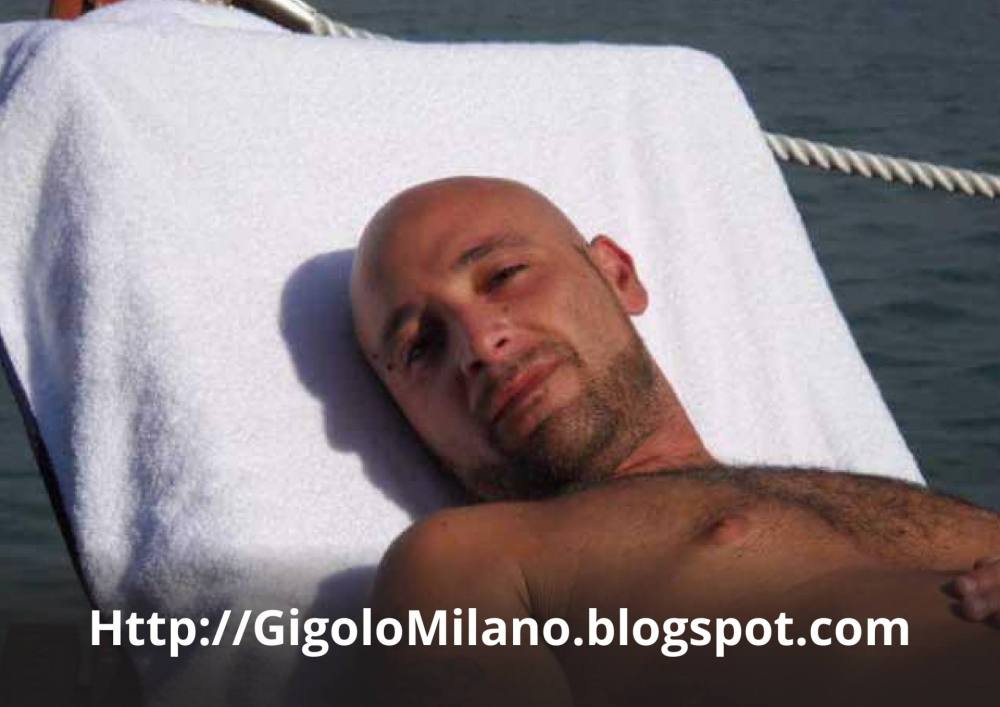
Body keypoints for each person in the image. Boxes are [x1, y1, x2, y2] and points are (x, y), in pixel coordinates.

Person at [348, 176, 1000, 706]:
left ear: (617, 274)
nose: (481, 345)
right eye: (420, 346)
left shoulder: (868, 497)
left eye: (505, 275)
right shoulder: (467, 565)